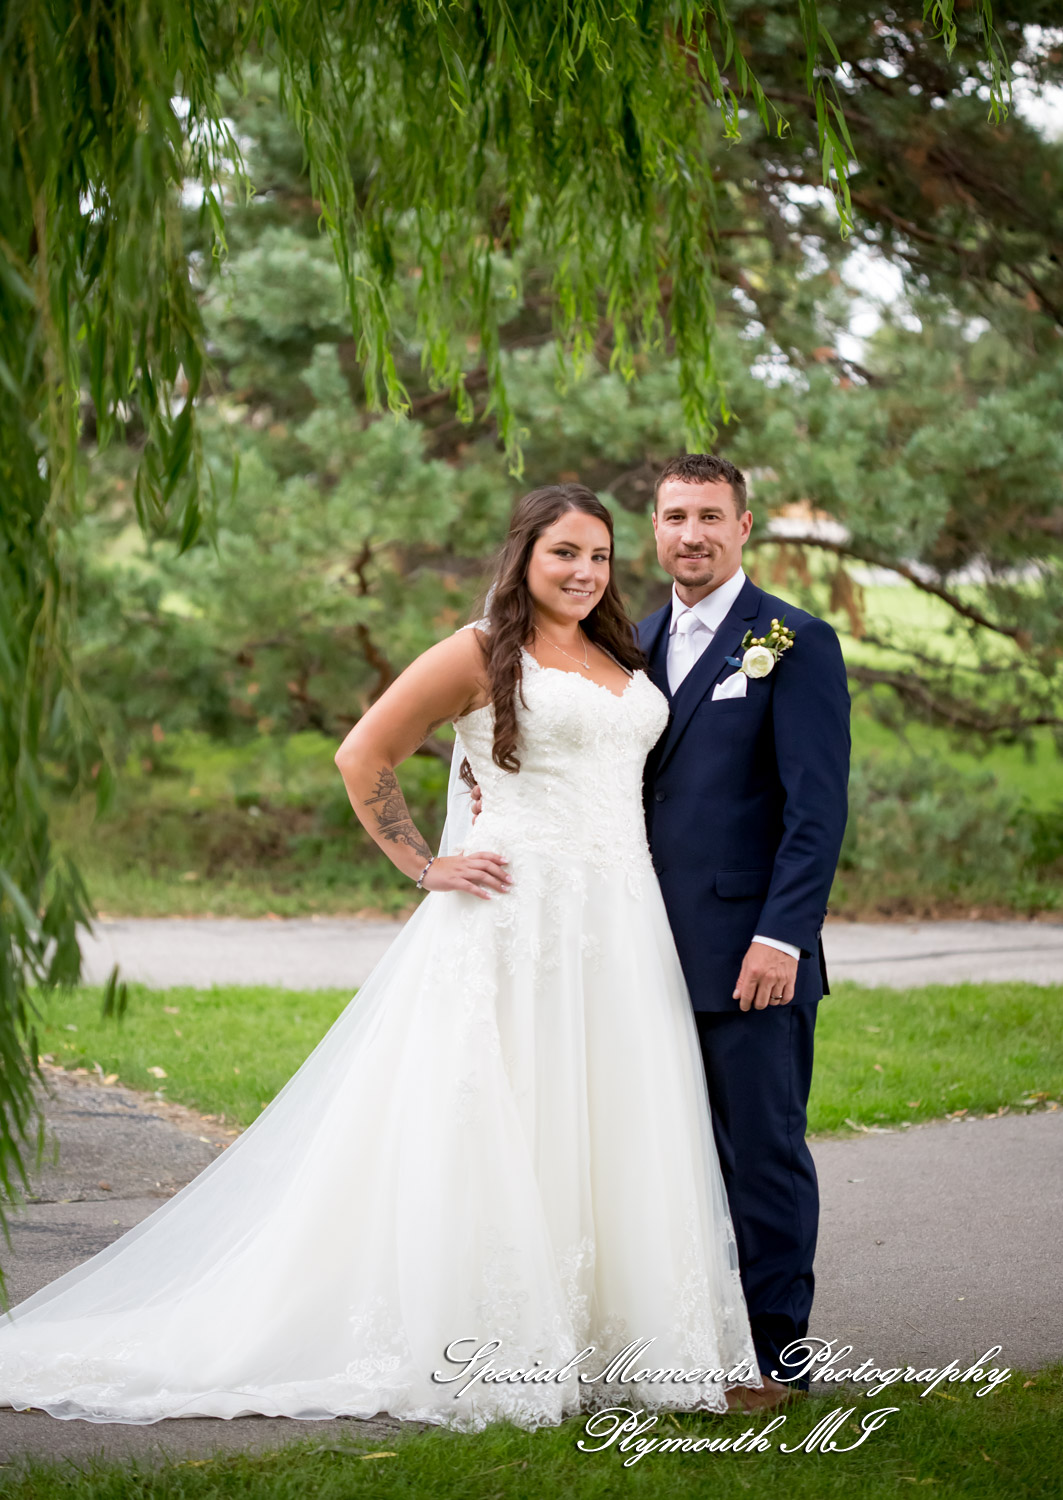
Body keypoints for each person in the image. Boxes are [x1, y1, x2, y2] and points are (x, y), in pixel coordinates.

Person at [0, 483, 762, 1432]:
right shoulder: (478, 650)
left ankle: (610, 1339)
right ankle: (490, 1339)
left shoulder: (620, 653)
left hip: (620, 920)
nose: (583, 571)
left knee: (610, 1117)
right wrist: (423, 864)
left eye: (599, 556)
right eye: (563, 552)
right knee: (509, 1117)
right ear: (524, 555)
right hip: (516, 915)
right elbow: (363, 754)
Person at [638, 453, 850, 1406]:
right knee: (663, 1155)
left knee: (761, 1153)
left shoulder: (792, 641)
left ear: (744, 526)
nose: (692, 534)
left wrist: (782, 937)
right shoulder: (631, 641)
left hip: (749, 954)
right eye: (675, 516)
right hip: (639, 951)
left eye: (709, 516)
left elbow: (816, 810)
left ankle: (777, 1359)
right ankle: (688, 1337)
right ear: (654, 528)